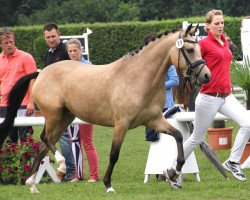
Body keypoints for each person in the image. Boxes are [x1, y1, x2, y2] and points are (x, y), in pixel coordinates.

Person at [171, 9, 250, 188]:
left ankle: (233, 162)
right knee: (196, 139)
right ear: (207, 26)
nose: (221, 26)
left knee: (248, 123)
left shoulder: (224, 42)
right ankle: (173, 169)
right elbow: (189, 63)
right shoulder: (202, 45)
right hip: (208, 98)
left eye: (222, 23)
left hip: (226, 96)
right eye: (216, 23)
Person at [43, 22, 75, 182]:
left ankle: (70, 172)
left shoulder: (66, 51)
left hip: (68, 101)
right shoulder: (48, 53)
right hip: (54, 101)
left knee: (64, 138)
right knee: (55, 137)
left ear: (59, 35)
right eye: (48, 37)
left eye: (53, 36)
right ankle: (66, 171)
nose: (51, 39)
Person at [65, 38, 100, 183]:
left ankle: (94, 176)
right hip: (70, 110)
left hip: (86, 110)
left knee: (87, 142)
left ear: (81, 51)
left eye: (75, 50)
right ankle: (78, 175)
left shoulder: (88, 66)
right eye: (70, 51)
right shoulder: (67, 67)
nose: (73, 53)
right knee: (74, 141)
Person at [0, 27, 37, 143]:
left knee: (26, 139)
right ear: (1, 45)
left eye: (11, 41)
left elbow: (34, 80)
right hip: (4, 105)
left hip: (24, 104)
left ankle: (26, 162)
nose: (9, 45)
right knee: (9, 140)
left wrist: (31, 102)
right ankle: (12, 162)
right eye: (6, 43)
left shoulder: (26, 57)